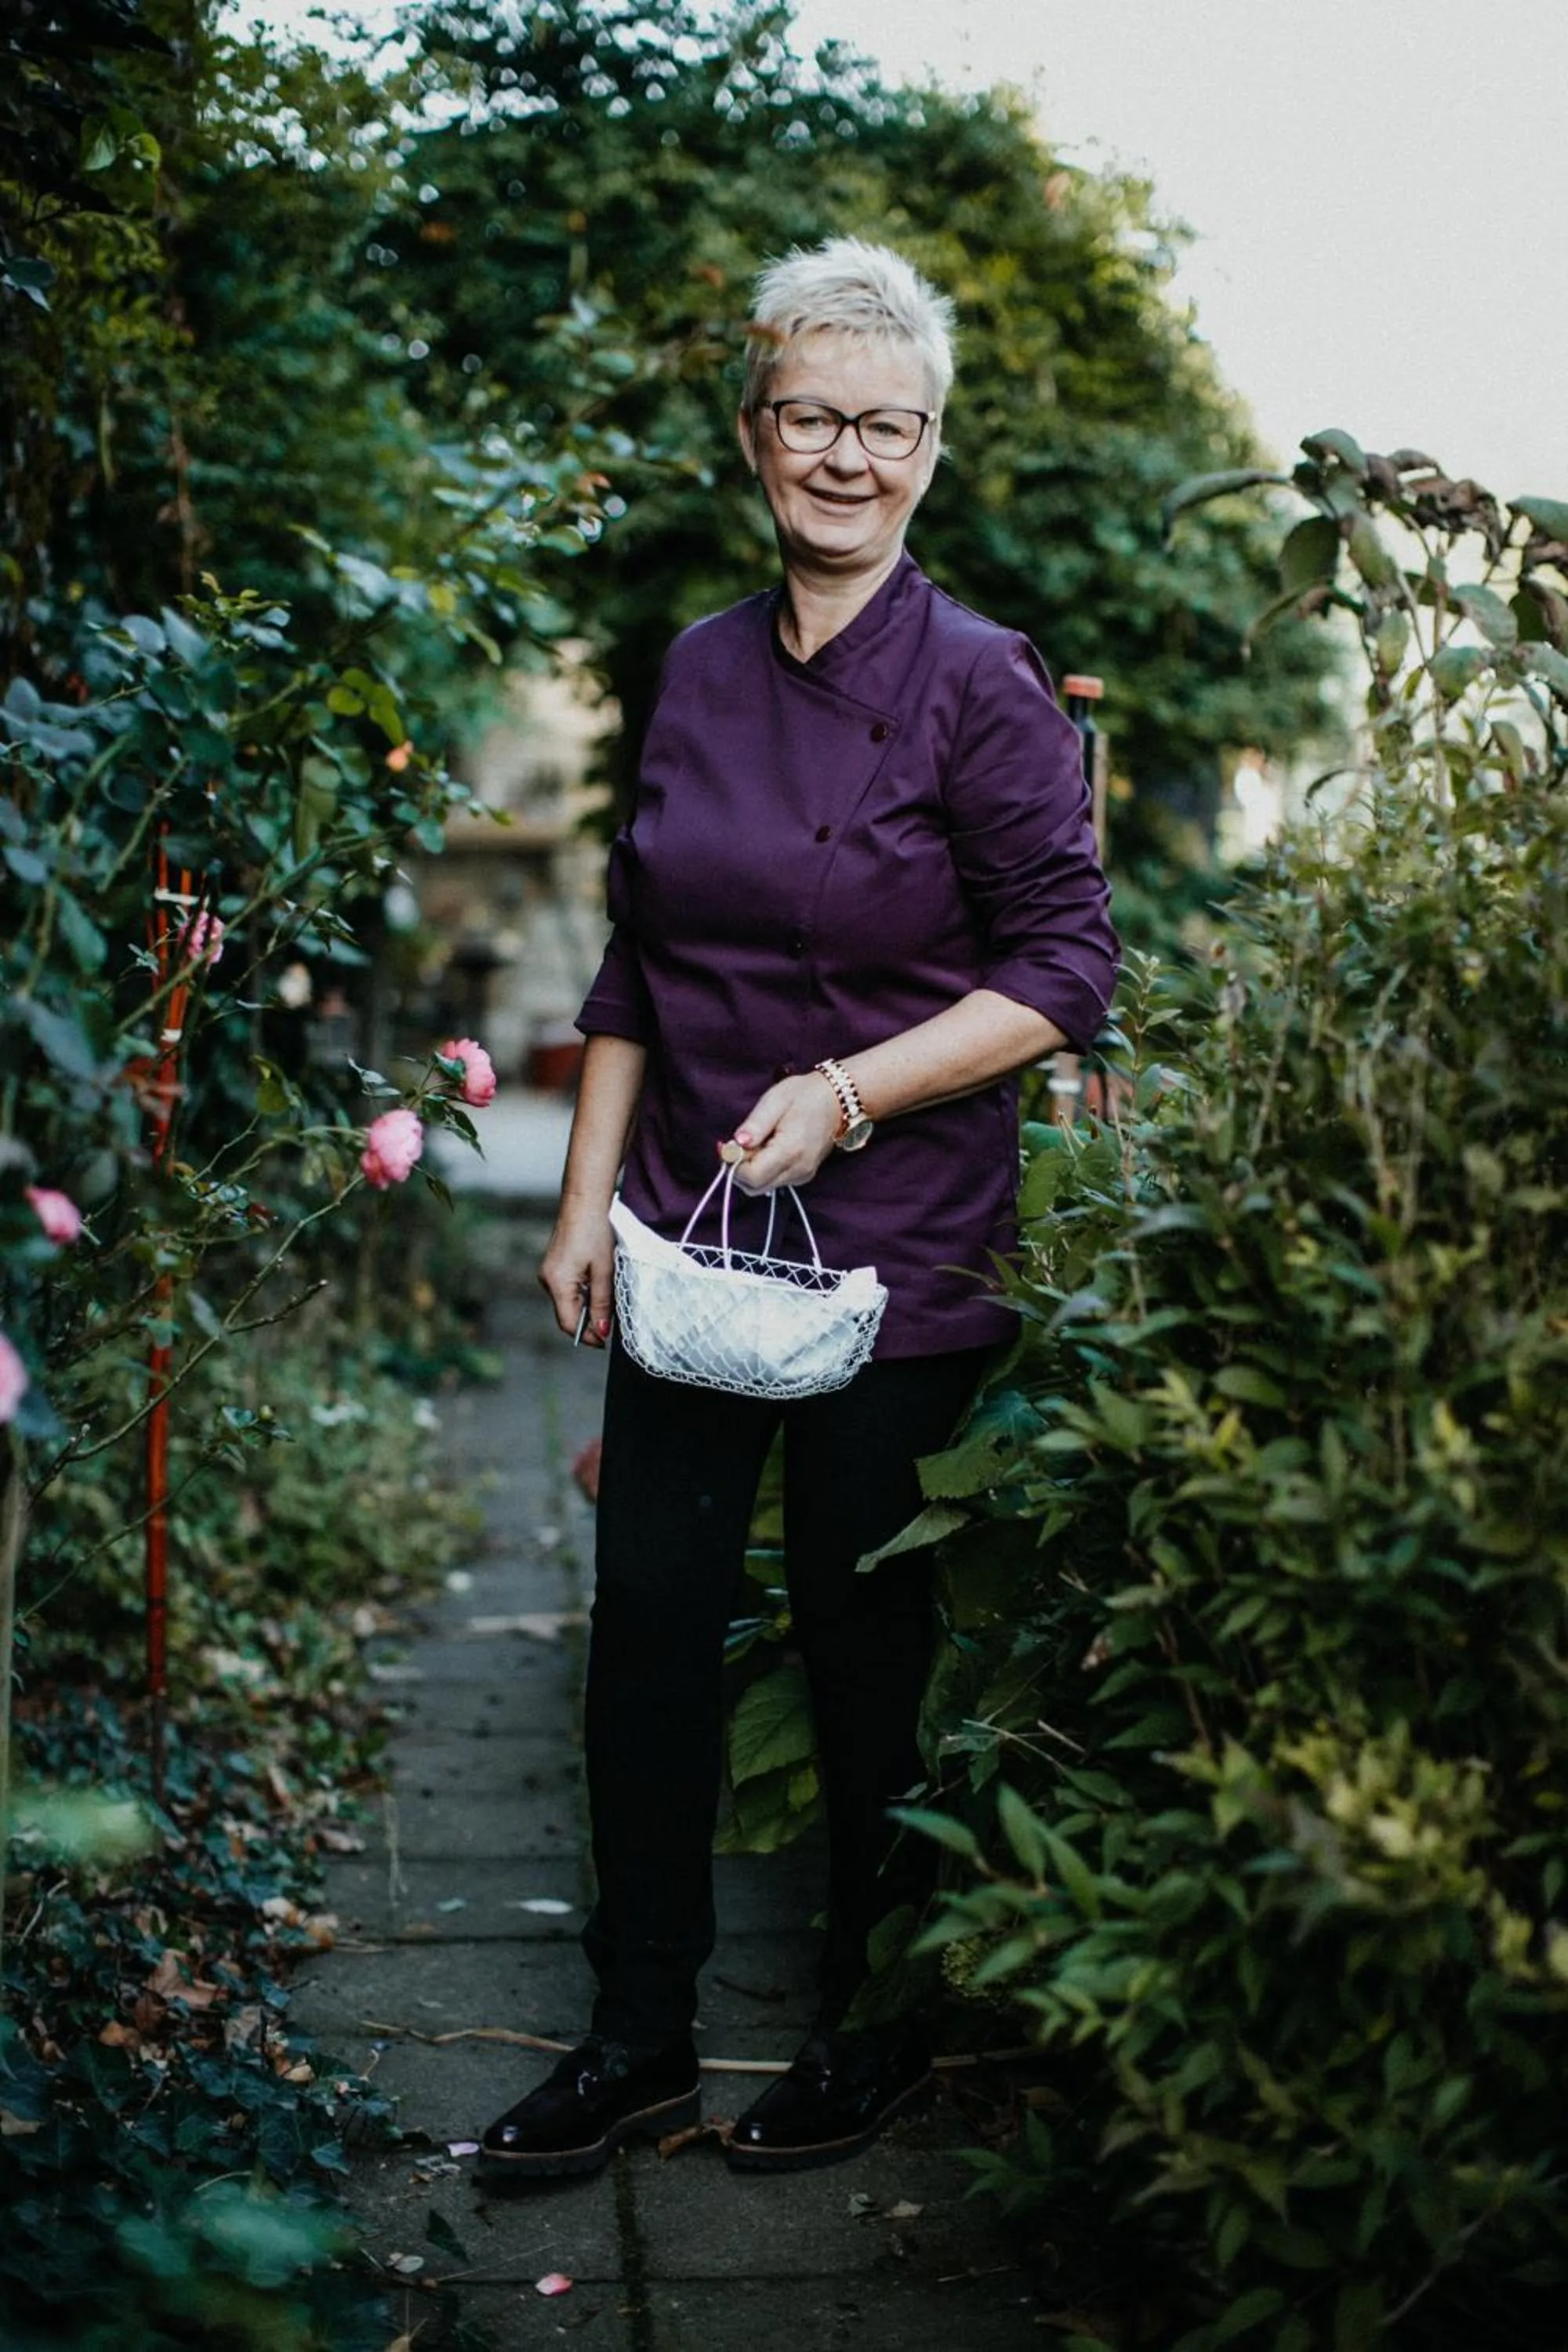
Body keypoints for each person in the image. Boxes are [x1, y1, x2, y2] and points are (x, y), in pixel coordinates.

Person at [480, 238, 1118, 2182]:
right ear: (758, 434)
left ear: (928, 451)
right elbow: (634, 967)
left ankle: (868, 2029)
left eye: (885, 425)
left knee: (869, 1666)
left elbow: (1067, 966)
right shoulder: (687, 668)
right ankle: (637, 2036)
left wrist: (849, 1090)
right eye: (811, 416)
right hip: (685, 1245)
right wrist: (583, 1203)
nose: (844, 456)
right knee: (647, 1639)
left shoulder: (986, 687)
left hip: (901, 1259)